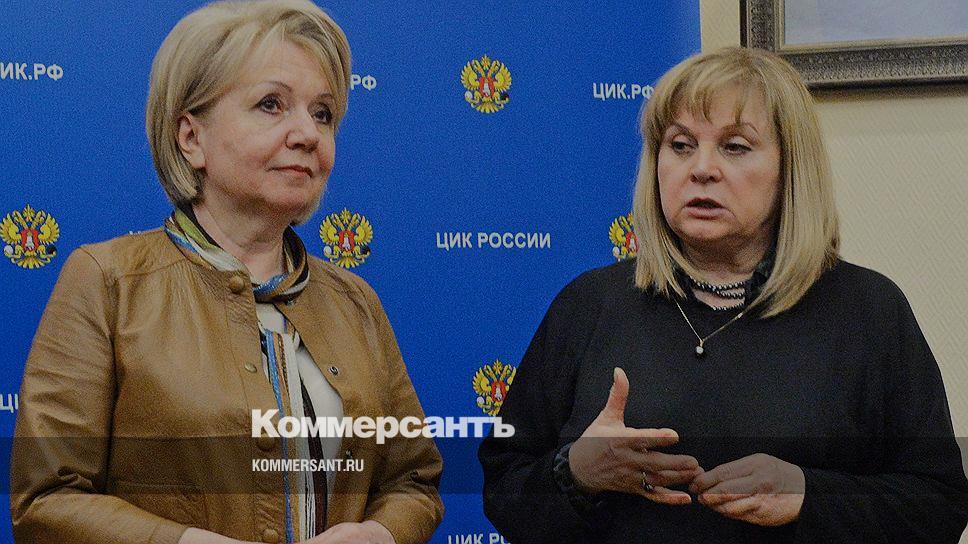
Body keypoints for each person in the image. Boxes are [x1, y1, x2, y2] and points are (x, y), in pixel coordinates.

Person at [479, 47, 968, 543]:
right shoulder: (588, 304)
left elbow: (939, 506)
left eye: (735, 146)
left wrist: (809, 496)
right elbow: (502, 489)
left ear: (790, 169)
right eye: (681, 145)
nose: (702, 169)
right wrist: (575, 473)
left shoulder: (868, 310)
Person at [10, 1, 442, 543]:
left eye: (323, 113)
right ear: (191, 138)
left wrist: (379, 534)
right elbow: (47, 501)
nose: (307, 133)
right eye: (271, 105)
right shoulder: (107, 282)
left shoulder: (355, 301)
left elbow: (413, 482)